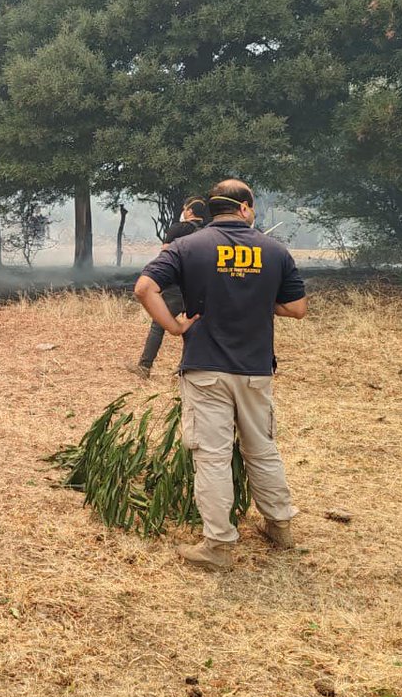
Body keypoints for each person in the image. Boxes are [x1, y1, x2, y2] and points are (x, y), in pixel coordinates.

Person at [134, 179, 307, 572]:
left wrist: (175, 328)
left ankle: (218, 546)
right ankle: (280, 526)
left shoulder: (186, 247)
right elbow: (297, 308)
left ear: (212, 209)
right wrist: (261, 301)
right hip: (256, 369)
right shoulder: (275, 250)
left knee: (211, 458)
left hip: (205, 366)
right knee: (261, 448)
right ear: (245, 208)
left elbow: (145, 288)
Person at [130, 197, 209, 378]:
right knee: (195, 324)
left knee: (158, 325)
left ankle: (144, 366)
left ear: (189, 211)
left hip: (176, 286)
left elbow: (166, 255)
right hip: (200, 286)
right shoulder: (208, 232)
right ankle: (185, 367)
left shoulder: (178, 229)